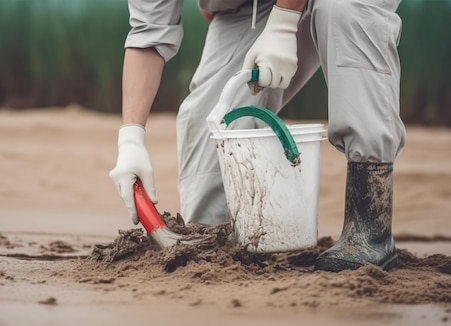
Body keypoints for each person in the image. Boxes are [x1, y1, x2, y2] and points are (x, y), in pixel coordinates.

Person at [110, 0, 406, 272]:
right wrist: (131, 138)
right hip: (249, 7)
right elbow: (149, 33)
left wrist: (285, 21)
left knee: (342, 10)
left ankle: (370, 227)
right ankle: (230, 234)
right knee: (214, 128)